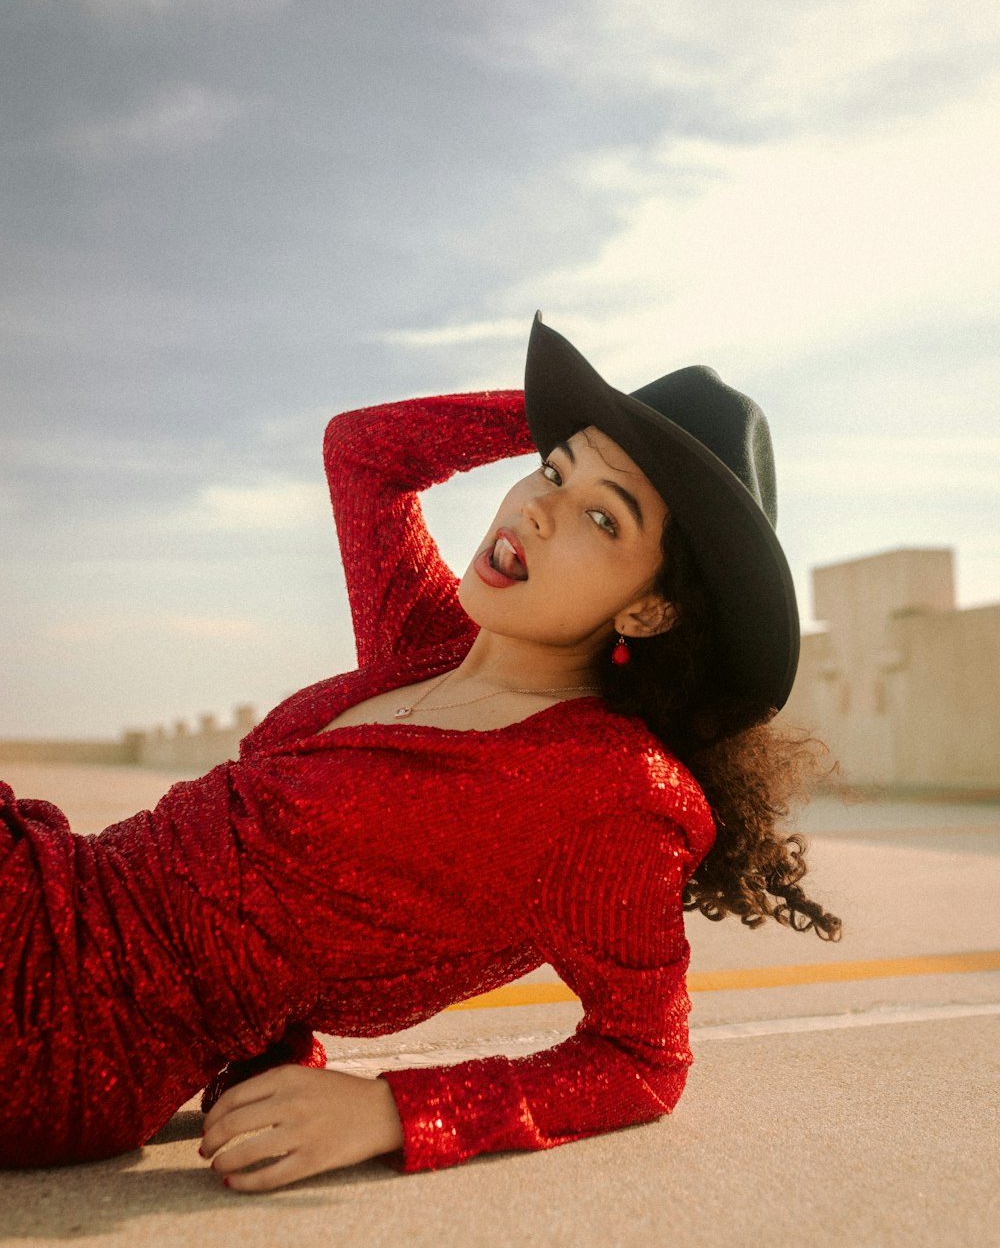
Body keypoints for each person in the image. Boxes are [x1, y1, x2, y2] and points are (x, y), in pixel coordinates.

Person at [0, 312, 840, 1190]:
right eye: (550, 472)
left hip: (61, 1026)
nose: (539, 509)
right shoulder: (425, 646)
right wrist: (570, 417)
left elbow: (643, 1058)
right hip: (47, 882)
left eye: (601, 515)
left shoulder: (611, 790)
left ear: (650, 611)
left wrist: (395, 1111)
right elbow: (364, 451)